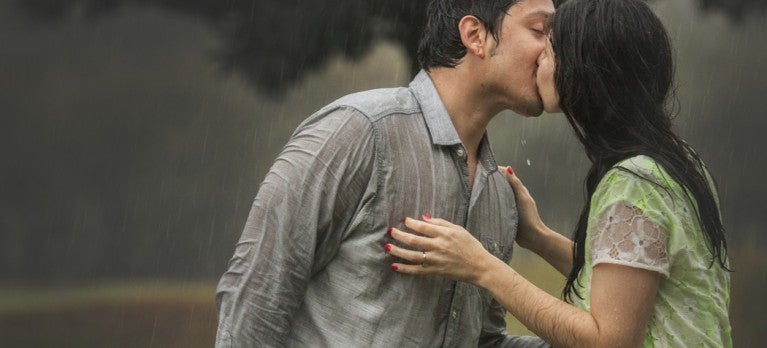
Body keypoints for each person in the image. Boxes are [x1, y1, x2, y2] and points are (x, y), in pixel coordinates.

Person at [387, 0, 733, 346]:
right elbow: (627, 284)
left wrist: (482, 267)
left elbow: (607, 340)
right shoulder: (675, 163)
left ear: (584, 70)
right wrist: (539, 237)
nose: (538, 59)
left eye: (548, 50)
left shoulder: (634, 183)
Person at [214, 0, 556, 346]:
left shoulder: (501, 195)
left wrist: (590, 338)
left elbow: (483, 341)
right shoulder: (357, 131)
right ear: (475, 35)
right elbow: (256, 298)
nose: (554, 51)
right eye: (541, 30)